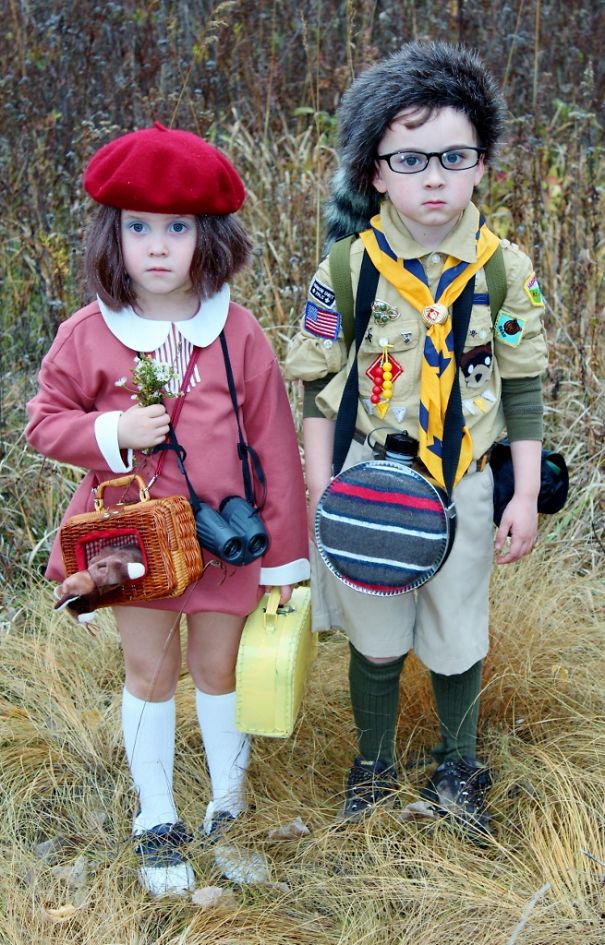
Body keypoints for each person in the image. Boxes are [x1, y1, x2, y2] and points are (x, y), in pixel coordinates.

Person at [26, 123, 310, 895]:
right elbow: (43, 419)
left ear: (206, 236)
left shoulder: (237, 332)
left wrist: (287, 561)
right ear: (110, 236)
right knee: (150, 668)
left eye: (176, 228)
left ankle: (227, 809)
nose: (157, 246)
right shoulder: (89, 334)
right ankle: (156, 815)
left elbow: (277, 449)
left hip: (229, 542)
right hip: (131, 544)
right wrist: (111, 431)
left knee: (220, 670)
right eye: (138, 227)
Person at [285, 41, 547, 838]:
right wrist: (321, 486)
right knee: (374, 633)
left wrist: (525, 492)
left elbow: (523, 385)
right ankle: (372, 762)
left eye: (453, 156)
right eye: (409, 159)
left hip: (463, 478)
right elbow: (319, 382)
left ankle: (456, 761)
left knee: (456, 627)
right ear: (374, 173)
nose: (432, 177)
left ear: (480, 166)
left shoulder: (502, 268)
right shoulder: (347, 267)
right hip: (368, 476)